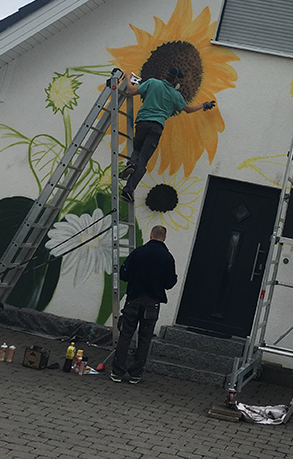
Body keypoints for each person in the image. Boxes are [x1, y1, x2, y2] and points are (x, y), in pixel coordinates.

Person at [120, 66, 214, 202]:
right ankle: (127, 191)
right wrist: (203, 105)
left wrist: (128, 77)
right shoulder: (176, 95)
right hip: (156, 126)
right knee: (143, 159)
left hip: (142, 122)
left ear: (166, 75)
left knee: (137, 149)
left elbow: (131, 91)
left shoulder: (152, 82)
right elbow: (188, 109)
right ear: (175, 80)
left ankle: (132, 164)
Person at [110, 224, 177, 383]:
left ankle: (118, 372)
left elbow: (124, 274)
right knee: (145, 339)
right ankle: (135, 374)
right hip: (152, 302)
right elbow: (169, 283)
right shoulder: (167, 257)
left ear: (151, 235)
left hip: (134, 298)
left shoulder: (138, 252)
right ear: (164, 238)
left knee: (126, 335)